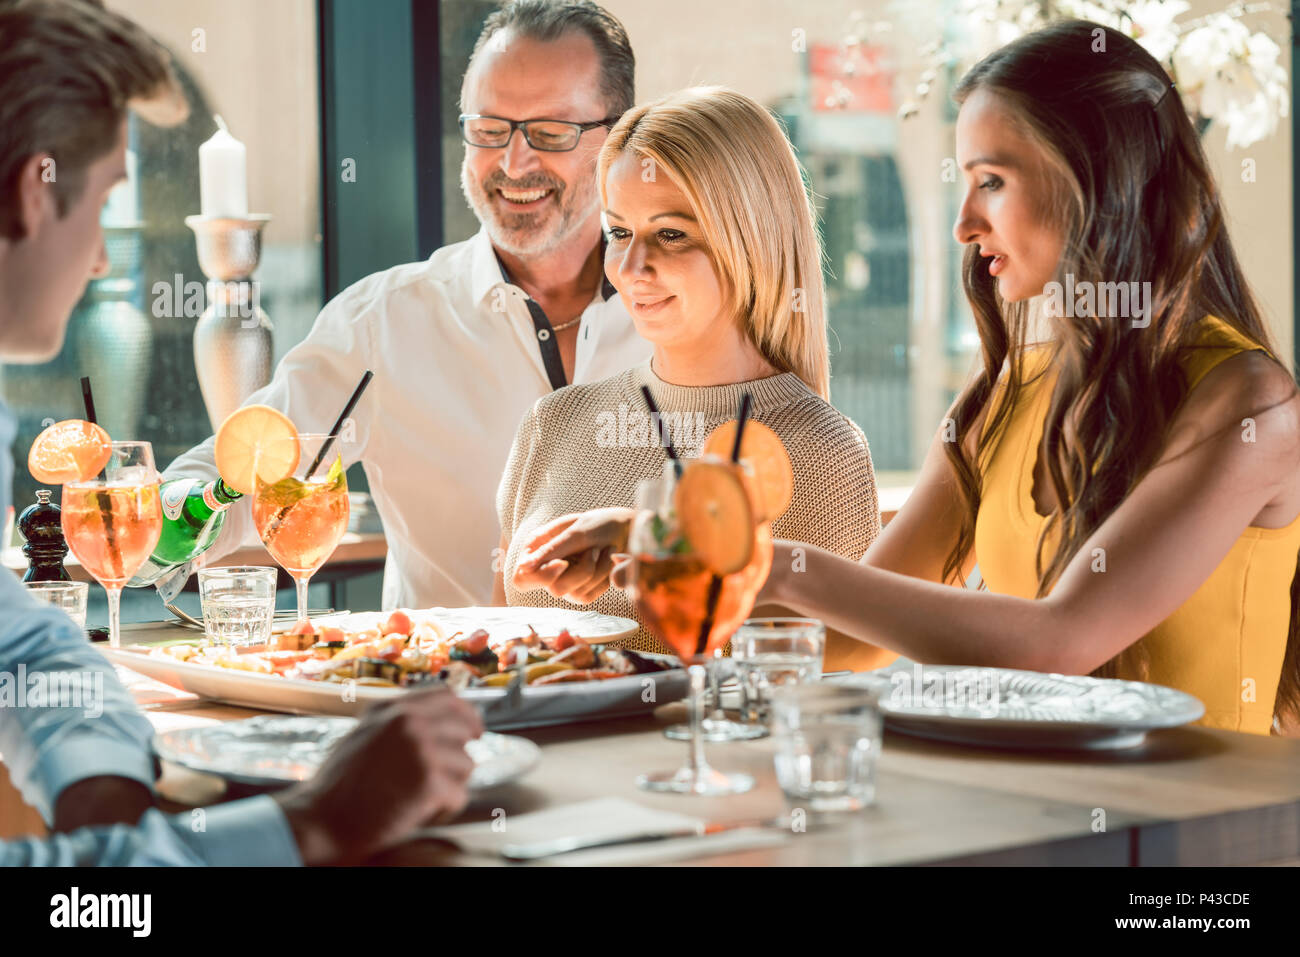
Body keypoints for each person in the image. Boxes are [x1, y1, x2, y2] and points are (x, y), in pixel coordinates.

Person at [0, 0, 481, 865]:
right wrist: (312, 825)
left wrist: (99, 772)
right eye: (109, 202)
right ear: (30, 200)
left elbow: (22, 646)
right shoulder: (390, 316)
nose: (103, 259)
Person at [733, 21, 1300, 735]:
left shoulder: (1251, 405)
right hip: (1038, 818)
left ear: (1098, 179)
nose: (964, 224)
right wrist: (665, 550)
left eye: (992, 182)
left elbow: (1059, 644)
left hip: (1195, 836)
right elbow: (855, 637)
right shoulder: (1003, 394)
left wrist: (775, 563)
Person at [163, 0, 651, 610]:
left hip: (657, 690)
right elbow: (248, 464)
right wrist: (157, 512)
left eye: (551, 133)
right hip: (444, 696)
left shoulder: (685, 304)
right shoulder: (384, 322)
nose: (512, 163)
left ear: (620, 138)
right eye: (489, 129)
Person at [499, 86, 888, 672]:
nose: (630, 270)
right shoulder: (553, 423)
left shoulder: (821, 453)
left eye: (671, 234)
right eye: (619, 232)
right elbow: (500, 646)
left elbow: (814, 680)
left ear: (750, 243)